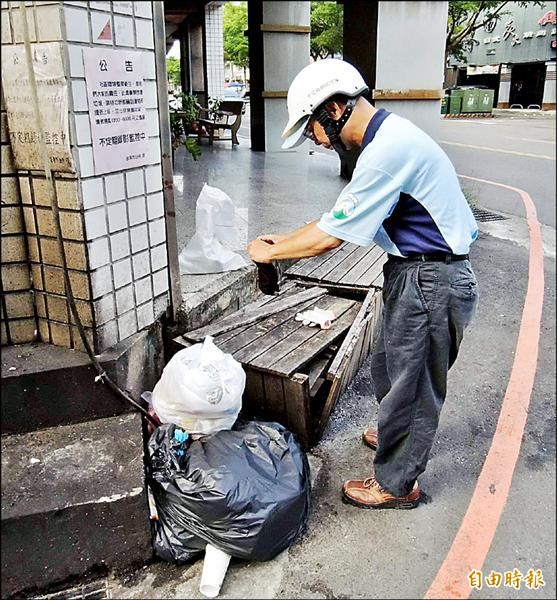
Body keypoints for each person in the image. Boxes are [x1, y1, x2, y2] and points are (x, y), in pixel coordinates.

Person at [247, 58, 479, 510]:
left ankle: (397, 483)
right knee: (389, 367)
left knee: (412, 385)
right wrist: (285, 240)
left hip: (433, 277)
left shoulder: (387, 151)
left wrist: (270, 253)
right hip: (413, 270)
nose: (314, 140)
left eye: (312, 127)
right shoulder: (386, 141)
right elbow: (337, 218)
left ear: (333, 110)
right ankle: (397, 433)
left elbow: (329, 239)